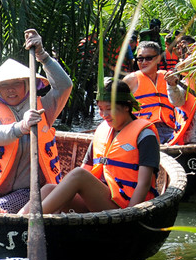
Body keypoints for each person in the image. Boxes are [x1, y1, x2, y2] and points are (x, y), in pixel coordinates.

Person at [0, 29, 72, 214]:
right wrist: (22, 127)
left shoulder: (43, 107)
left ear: (26, 84)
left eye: (16, 84)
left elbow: (65, 85)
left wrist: (42, 55)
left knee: (0, 209)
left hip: (28, 190)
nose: (10, 90)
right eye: (4, 86)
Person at [23, 79, 158, 215]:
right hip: (99, 199)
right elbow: (86, 168)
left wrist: (131, 214)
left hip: (124, 208)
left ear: (127, 106)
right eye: (100, 109)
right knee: (49, 189)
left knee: (78, 175)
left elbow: (144, 184)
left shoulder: (145, 136)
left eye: (109, 109)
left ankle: (31, 221)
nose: (104, 115)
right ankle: (19, 218)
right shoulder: (103, 132)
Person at [123, 40, 175, 143]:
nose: (144, 62)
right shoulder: (131, 80)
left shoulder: (167, 77)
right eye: (140, 59)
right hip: (145, 129)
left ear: (159, 59)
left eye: (148, 58)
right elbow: (117, 107)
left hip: (171, 128)